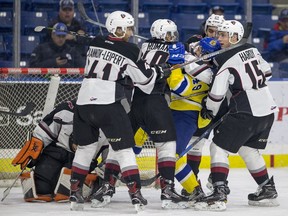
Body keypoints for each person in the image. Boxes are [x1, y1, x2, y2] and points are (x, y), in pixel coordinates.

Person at [69, 11, 164, 212]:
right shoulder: (131, 49)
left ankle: (74, 192)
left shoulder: (95, 42)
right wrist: (158, 71)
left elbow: (106, 47)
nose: (130, 32)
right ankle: (136, 195)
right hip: (107, 103)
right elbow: (145, 82)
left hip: (84, 102)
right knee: (124, 150)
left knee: (85, 149)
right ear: (118, 29)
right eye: (128, 28)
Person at [194, 20, 279, 211]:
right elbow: (267, 71)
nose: (219, 39)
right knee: (248, 150)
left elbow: (216, 95)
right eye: (219, 35)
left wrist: (209, 111)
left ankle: (219, 192)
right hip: (267, 110)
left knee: (218, 147)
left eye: (224, 36)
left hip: (246, 111)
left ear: (235, 37)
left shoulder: (224, 60)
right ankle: (267, 189)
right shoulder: (253, 49)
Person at [128, 19, 189, 209]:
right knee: (167, 145)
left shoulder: (144, 46)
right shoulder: (175, 48)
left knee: (122, 147)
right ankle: (167, 190)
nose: (173, 37)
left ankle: (107, 186)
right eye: (170, 34)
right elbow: (180, 86)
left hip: (135, 102)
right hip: (155, 101)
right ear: (163, 35)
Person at [12, 100, 109, 202]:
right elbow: (43, 132)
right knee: (41, 189)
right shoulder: (66, 110)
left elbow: (112, 158)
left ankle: (91, 185)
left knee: (67, 190)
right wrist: (35, 147)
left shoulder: (109, 124)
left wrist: (104, 174)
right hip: (56, 152)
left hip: (83, 161)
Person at [167, 37, 221, 202]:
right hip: (177, 113)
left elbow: (178, 86)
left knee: (172, 157)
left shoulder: (206, 74)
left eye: (199, 50)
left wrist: (175, 64)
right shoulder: (200, 66)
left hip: (186, 115)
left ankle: (195, 191)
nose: (195, 50)